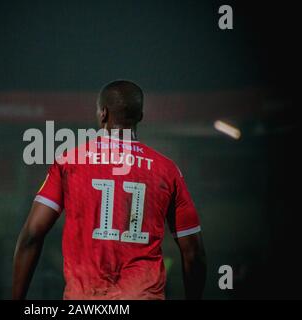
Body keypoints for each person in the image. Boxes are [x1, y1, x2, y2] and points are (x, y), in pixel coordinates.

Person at [13, 80, 206, 300]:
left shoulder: (69, 162)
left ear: (103, 114)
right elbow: (193, 253)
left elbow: (31, 235)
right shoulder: (167, 170)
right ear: (140, 117)